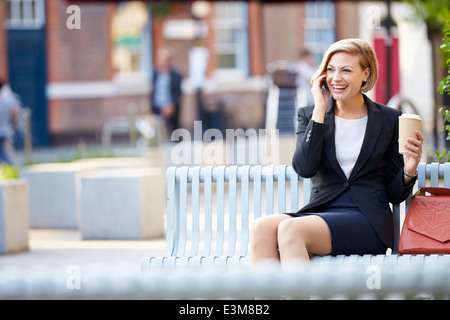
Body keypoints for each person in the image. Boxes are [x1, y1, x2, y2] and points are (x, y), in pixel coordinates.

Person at [249, 38, 423, 266]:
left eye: (346, 70)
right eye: (330, 70)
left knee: (291, 230)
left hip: (367, 220)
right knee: (260, 227)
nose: (336, 78)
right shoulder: (310, 114)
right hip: (321, 213)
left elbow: (393, 193)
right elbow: (305, 168)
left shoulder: (390, 119)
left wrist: (409, 170)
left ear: (365, 74)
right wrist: (320, 111)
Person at [151, 48, 182, 137]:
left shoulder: (176, 75)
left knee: (174, 132)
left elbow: (178, 92)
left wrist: (171, 105)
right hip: (157, 107)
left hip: (171, 108)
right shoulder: (155, 74)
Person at [0, 80, 19, 165]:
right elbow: (15, 111)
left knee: (3, 153)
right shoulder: (8, 101)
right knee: (5, 150)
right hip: (6, 130)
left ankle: (11, 167)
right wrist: (14, 124)